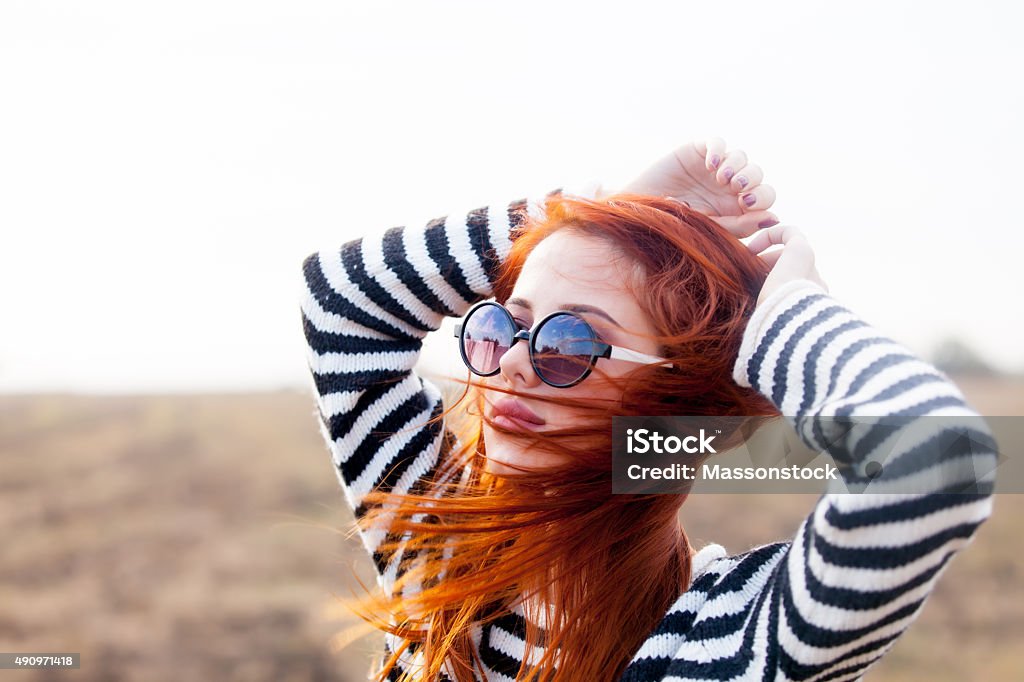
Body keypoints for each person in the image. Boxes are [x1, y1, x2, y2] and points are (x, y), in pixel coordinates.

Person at [299, 138, 996, 682]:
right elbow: (339, 300)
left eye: (572, 344)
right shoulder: (445, 541)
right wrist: (605, 217)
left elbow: (935, 462)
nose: (510, 361)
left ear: (674, 401)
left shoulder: (721, 639)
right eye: (504, 326)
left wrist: (786, 314)